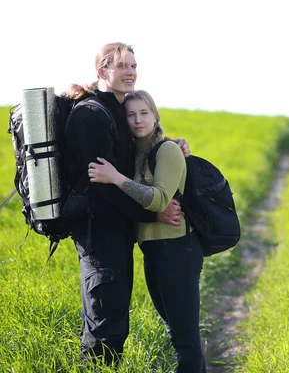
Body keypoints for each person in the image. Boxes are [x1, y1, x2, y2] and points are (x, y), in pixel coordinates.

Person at [63, 42, 188, 366]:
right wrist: (154, 210)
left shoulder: (116, 110)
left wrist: (169, 145)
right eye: (122, 66)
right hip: (98, 232)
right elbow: (100, 186)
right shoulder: (92, 114)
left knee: (114, 320)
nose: (130, 71)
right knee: (105, 325)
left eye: (133, 65)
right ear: (102, 71)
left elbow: (133, 158)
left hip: (117, 232)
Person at [88, 90, 206, 372]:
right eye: (130, 114)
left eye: (144, 113)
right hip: (153, 251)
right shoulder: (133, 153)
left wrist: (115, 178)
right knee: (174, 328)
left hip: (178, 250)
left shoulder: (167, 150)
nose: (138, 120)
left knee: (184, 337)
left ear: (155, 115)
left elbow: (160, 200)